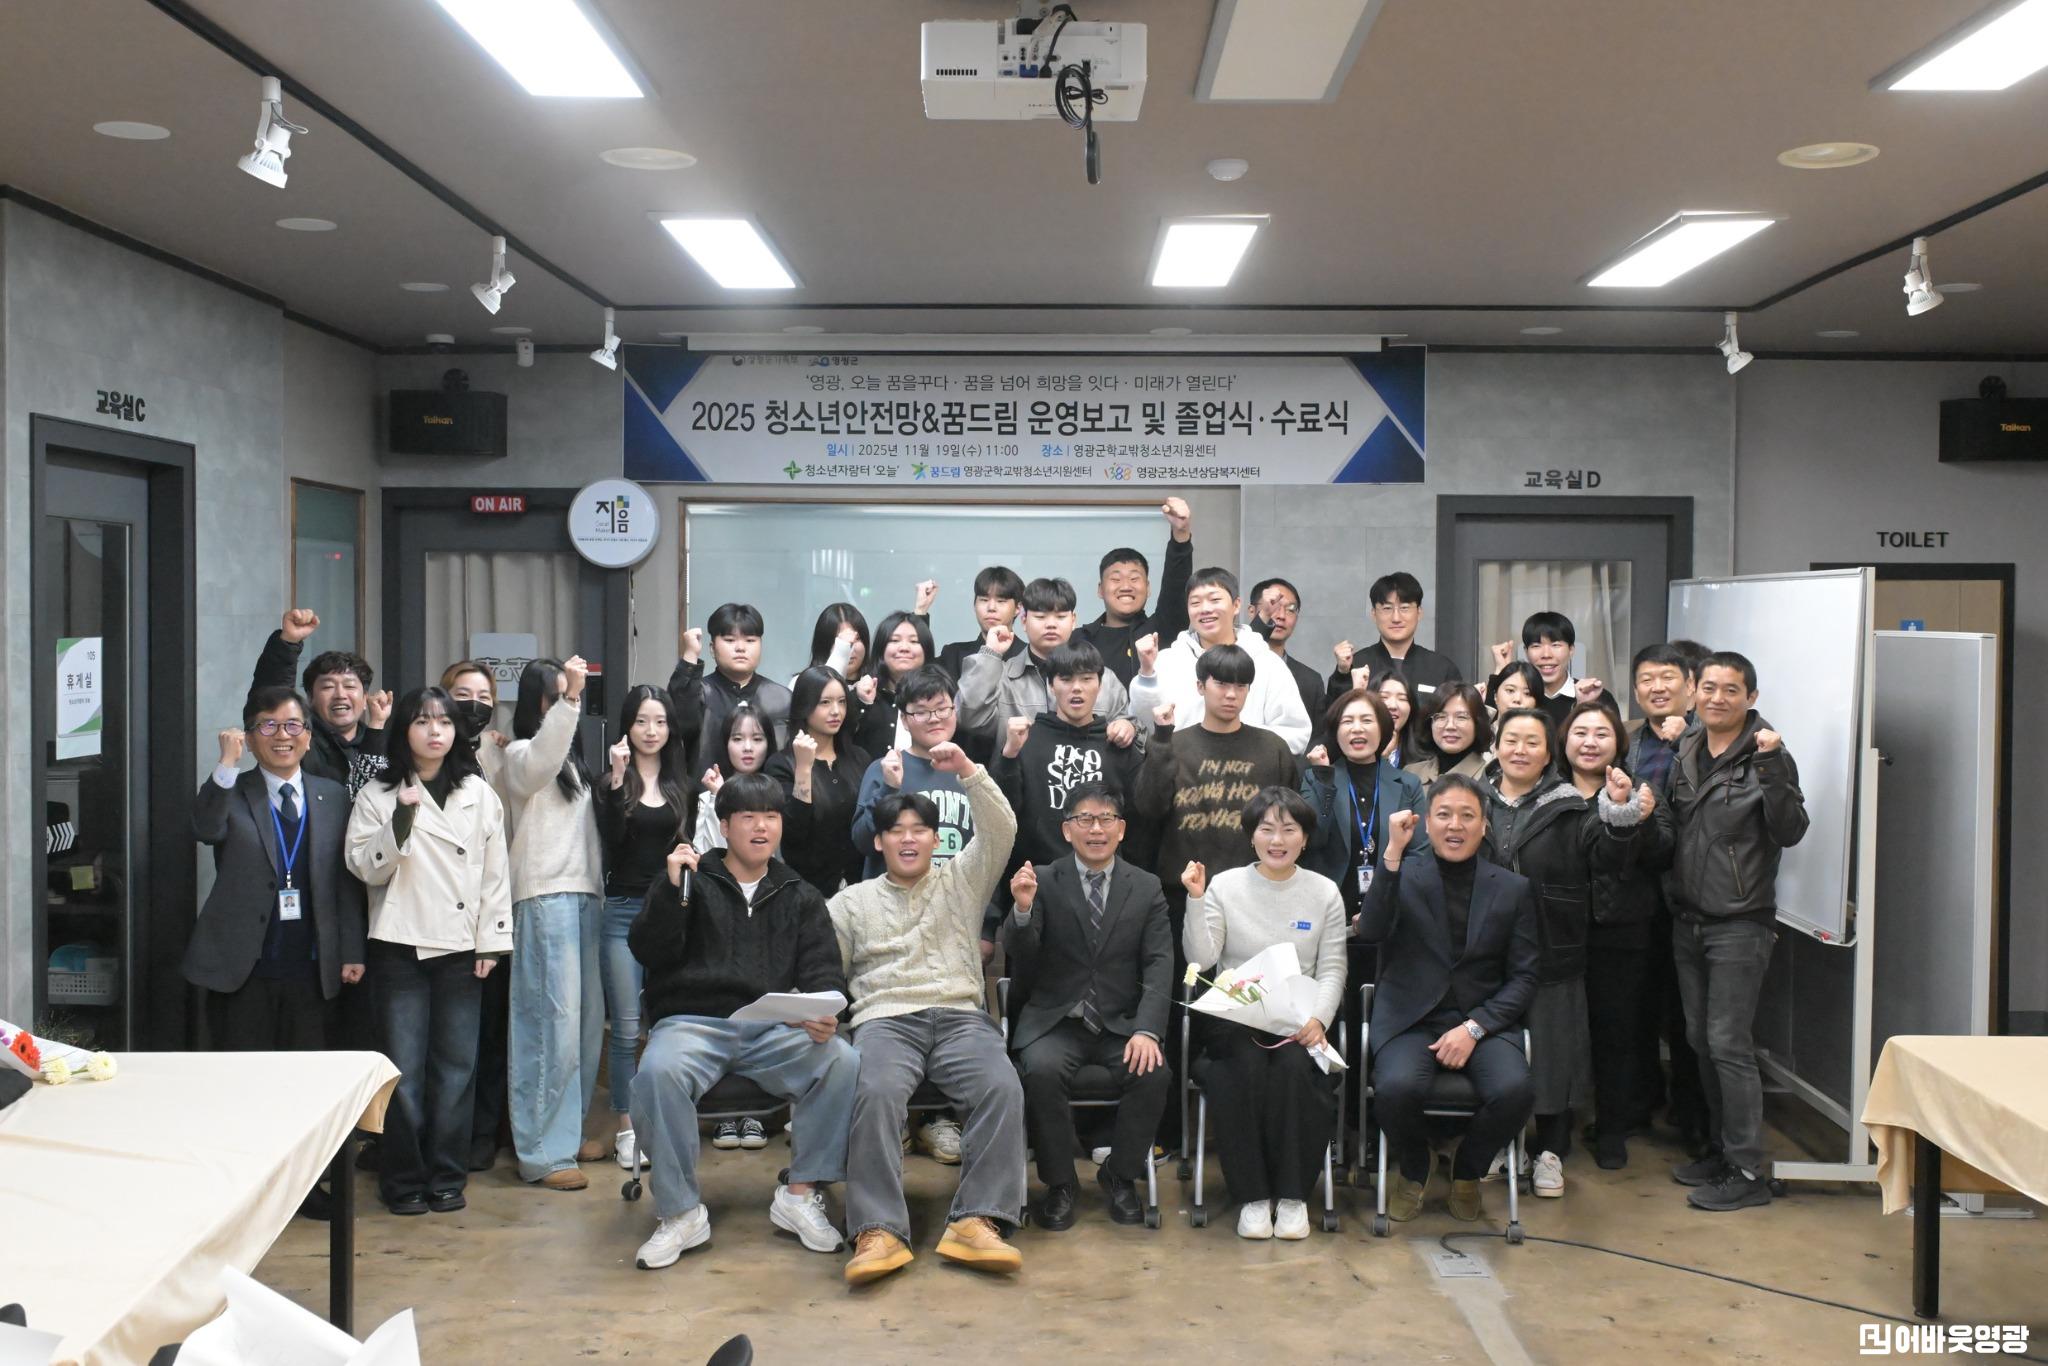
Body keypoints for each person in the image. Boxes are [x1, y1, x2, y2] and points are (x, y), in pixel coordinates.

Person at [626, 774, 857, 1271]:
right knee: (657, 1072)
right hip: (692, 1024)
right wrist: (671, 891)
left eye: (770, 816)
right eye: (748, 817)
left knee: (841, 1059)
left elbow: (823, 970)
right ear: (725, 825)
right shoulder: (690, 879)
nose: (761, 827)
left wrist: (822, 1013)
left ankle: (800, 1194)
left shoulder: (799, 893)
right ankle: (681, 1213)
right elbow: (647, 949)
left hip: (771, 1027)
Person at [831, 743, 1023, 1285]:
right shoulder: (849, 903)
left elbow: (1002, 829)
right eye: (896, 830)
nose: (909, 838)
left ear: (937, 840)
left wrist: (968, 772)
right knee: (873, 1091)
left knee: (1001, 1086)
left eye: (920, 830)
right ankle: (878, 1229)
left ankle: (977, 1219)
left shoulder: (962, 880)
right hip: (885, 1020)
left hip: (960, 1015)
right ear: (879, 841)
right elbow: (825, 976)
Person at [346, 687, 512, 1216]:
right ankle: (402, 1180)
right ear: (404, 731)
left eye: (443, 722)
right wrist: (400, 819)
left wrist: (492, 941)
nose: (434, 731)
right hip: (399, 945)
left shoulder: (478, 792)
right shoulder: (378, 793)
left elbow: (495, 874)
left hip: (462, 947)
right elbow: (363, 867)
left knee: (456, 1069)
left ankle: (446, 1175)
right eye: (422, 721)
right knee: (404, 1073)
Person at [1353, 778, 1539, 1223]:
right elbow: (1372, 930)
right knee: (1395, 1089)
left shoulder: (1512, 888)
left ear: (1484, 825)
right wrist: (1392, 853)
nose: (1455, 825)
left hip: (1482, 1021)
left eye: (1467, 815)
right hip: (1410, 1019)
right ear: (1426, 823)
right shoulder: (1402, 873)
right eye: (1444, 815)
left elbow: (1525, 975)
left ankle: (1467, 1170)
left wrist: (1474, 1028)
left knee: (1515, 1091)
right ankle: (1415, 1166)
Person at [1479, 707, 1646, 1200]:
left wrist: (1619, 813)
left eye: (1532, 742)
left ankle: (1551, 1150)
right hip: (1487, 952)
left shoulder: (1571, 805)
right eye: (1511, 740)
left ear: (1548, 752)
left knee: (1554, 1051)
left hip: (1554, 947)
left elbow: (1608, 858)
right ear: (1497, 746)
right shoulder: (1475, 798)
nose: (1520, 750)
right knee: (1496, 1047)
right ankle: (1503, 1142)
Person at [1667, 651, 1808, 1212]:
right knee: (1702, 1040)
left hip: (1740, 924)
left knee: (1728, 1043)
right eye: (1708, 687)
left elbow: (1790, 830)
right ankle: (1721, 1152)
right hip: (1688, 920)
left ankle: (1747, 1169)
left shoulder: (1768, 755)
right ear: (1695, 692)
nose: (1717, 698)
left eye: (1731, 690)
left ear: (1751, 697)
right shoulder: (1689, 747)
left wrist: (1772, 768)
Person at [1003, 782, 1172, 1229]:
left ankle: (1120, 1174)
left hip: (1121, 1024)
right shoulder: (1042, 879)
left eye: (1105, 819)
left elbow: (1159, 963)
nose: (1096, 829)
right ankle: (1061, 1184)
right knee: (1040, 1071)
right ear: (1067, 829)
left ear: (1121, 829)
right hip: (1058, 1019)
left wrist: (1147, 1030)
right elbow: (1021, 954)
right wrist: (1022, 910)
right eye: (1085, 819)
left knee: (1153, 1073)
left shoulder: (1146, 887)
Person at [1180, 787, 1347, 1241]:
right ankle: (1252, 1197)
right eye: (1267, 829)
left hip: (1300, 1021)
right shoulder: (1225, 886)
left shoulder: (1324, 893)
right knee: (1244, 1067)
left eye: (1289, 830)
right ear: (1251, 836)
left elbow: (1332, 968)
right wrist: (1196, 899)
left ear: (1305, 839)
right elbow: (1201, 958)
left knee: (1296, 1070)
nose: (1277, 840)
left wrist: (1319, 1020)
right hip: (1236, 1019)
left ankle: (1293, 1196)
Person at [185, 687, 365, 1050]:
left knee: (306, 1073)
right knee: (242, 1071)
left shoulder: (332, 796)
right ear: (250, 740)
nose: (282, 735)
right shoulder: (232, 792)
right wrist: (226, 765)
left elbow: (344, 882)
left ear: (308, 737)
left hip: (313, 967)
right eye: (268, 726)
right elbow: (206, 829)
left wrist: (352, 950)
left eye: (293, 725)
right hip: (243, 968)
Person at [502, 655, 606, 1191]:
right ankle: (542, 1151)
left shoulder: (575, 767)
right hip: (543, 896)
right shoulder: (520, 755)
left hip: (584, 896)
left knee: (584, 1027)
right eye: (558, 693)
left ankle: (568, 1131)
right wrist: (570, 701)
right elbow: (542, 758)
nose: (570, 700)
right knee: (550, 1027)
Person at [1560, 699, 1673, 1169]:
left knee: (1616, 1033)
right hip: (1558, 932)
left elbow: (1664, 853)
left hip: (1621, 932)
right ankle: (1554, 1128)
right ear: (1565, 740)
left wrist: (1639, 819)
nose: (1590, 742)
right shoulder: (1551, 791)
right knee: (1560, 1033)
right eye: (1581, 733)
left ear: (1619, 743)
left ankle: (1612, 1129)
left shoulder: (1643, 789)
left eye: (1602, 734)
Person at [596, 684, 694, 1170]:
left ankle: (666, 1119)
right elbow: (612, 843)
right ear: (627, 727)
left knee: (669, 1023)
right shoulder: (612, 781)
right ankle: (626, 1128)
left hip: (669, 912)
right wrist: (617, 781)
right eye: (641, 721)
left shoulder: (681, 784)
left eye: (659, 721)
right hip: (621, 910)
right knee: (625, 1028)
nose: (650, 731)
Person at [1133, 645, 1301, 918]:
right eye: (1221, 684)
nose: (1231, 694)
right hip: (1182, 893)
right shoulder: (1174, 745)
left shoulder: (1273, 749)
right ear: (1200, 686)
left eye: (1241, 685)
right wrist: (1161, 739)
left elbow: (1293, 824)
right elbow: (1148, 808)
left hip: (1257, 893)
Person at [1623, 643, 1709, 1153]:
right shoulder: (1629, 744)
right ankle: (1641, 1104)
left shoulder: (1710, 739)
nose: (1657, 688)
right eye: (1646, 679)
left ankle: (1694, 1120)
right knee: (1637, 1007)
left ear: (1690, 686)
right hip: (1637, 896)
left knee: (1687, 1016)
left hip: (1692, 897)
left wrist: (1687, 743)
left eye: (1668, 677)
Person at [440, 660, 512, 1172]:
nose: (474, 705)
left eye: (484, 697)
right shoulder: (427, 755)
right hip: (439, 919)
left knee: (489, 1034)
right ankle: (444, 1137)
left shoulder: (498, 753)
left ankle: (483, 1133)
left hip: (491, 913)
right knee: (447, 1043)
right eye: (463, 695)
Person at [990, 641, 1145, 870]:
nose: (1077, 688)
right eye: (1066, 679)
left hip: (1105, 877)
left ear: (1100, 684)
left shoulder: (1117, 742)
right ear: (1051, 686)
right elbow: (999, 814)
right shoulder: (1025, 740)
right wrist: (1009, 755)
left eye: (1086, 679)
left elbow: (1141, 818)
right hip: (1037, 877)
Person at [1128, 568, 1312, 754]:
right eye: (1195, 602)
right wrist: (1147, 674)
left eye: (1215, 600)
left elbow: (1295, 733)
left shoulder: (1267, 663)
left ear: (1236, 605)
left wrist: (1236, 744)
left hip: (1251, 769)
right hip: (1182, 769)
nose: (1205, 609)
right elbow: (1145, 729)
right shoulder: (1168, 661)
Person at [959, 576, 1137, 749]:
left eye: (1060, 617)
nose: (1051, 624)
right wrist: (990, 654)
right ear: (1024, 621)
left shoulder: (1104, 679)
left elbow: (1134, 734)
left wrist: (1128, 727)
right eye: (1041, 617)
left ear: (1073, 620)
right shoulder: (1002, 678)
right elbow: (970, 719)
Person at [249, 607, 390, 797]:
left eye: (349, 686)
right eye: (328, 687)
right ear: (310, 698)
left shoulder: (383, 743)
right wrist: (288, 643)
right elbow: (271, 699)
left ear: (365, 698)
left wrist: (376, 729)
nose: (340, 694)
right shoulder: (300, 740)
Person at [766, 667, 873, 896]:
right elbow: (793, 833)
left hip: (860, 890)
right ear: (804, 705)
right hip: (807, 892)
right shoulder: (781, 764)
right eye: (825, 702)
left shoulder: (859, 758)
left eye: (842, 702)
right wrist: (804, 769)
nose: (836, 711)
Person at [668, 603, 793, 776]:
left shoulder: (781, 698)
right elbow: (678, 723)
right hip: (706, 790)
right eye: (730, 640)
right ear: (712, 648)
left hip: (770, 791)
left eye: (750, 640)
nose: (740, 648)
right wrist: (690, 656)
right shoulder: (699, 692)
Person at [1079, 498, 1194, 687]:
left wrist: (1180, 534)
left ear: (1148, 588)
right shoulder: (1080, 640)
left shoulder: (1161, 630)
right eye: (1116, 579)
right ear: (1100, 590)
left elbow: (1176, 586)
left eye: (1134, 579)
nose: (1126, 586)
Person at [1338, 572, 1463, 700]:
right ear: (1374, 614)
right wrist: (1342, 673)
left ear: (1419, 612)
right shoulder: (1357, 665)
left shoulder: (1441, 668)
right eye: (1387, 608)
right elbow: (1336, 709)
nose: (1396, 618)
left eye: (1404, 608)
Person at [1495, 612, 1616, 729]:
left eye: (1556, 645)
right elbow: (1490, 732)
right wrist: (1500, 672)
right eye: (1536, 646)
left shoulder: (1595, 697)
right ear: (1526, 652)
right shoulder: (1516, 699)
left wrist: (1583, 706)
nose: (1546, 655)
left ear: (1571, 650)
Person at [1249, 577, 1325, 749]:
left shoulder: (1310, 680)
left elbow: (1317, 739)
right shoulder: (1231, 663)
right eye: (1274, 606)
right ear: (1252, 611)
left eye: (1290, 609)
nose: (1281, 616)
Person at [693, 702, 778, 855]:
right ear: (725, 743)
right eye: (738, 739)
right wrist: (718, 796)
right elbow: (713, 854)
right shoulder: (708, 798)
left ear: (768, 743)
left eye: (757, 739)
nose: (747, 747)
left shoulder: (777, 795)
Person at [855, 610, 939, 757]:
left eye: (914, 641)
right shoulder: (863, 695)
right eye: (895, 640)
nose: (904, 648)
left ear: (926, 650)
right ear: (881, 648)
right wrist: (862, 703)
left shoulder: (939, 698)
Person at [936, 566, 1026, 685]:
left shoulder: (1029, 657)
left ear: (1018, 608)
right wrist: (920, 611)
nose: (991, 608)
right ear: (974, 605)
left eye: (1001, 601)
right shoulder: (953, 655)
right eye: (984, 600)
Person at [1405, 684, 1492, 785]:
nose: (1450, 726)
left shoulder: (1491, 779)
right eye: (1441, 717)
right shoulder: (1411, 774)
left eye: (1461, 717)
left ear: (1478, 724)